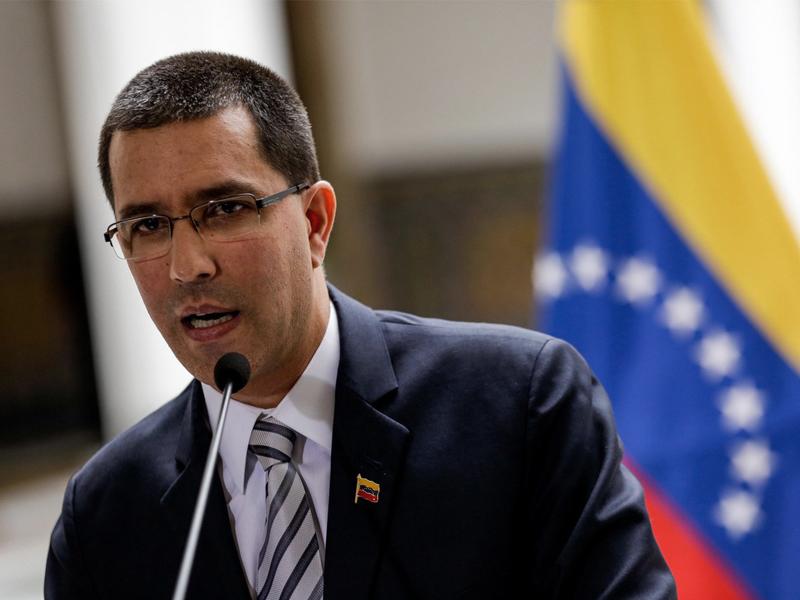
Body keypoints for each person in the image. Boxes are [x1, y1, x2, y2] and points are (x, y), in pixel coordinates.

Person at [45, 51, 676, 599]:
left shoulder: (520, 404)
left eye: (226, 209)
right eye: (148, 226)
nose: (188, 266)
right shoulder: (104, 513)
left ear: (315, 223)